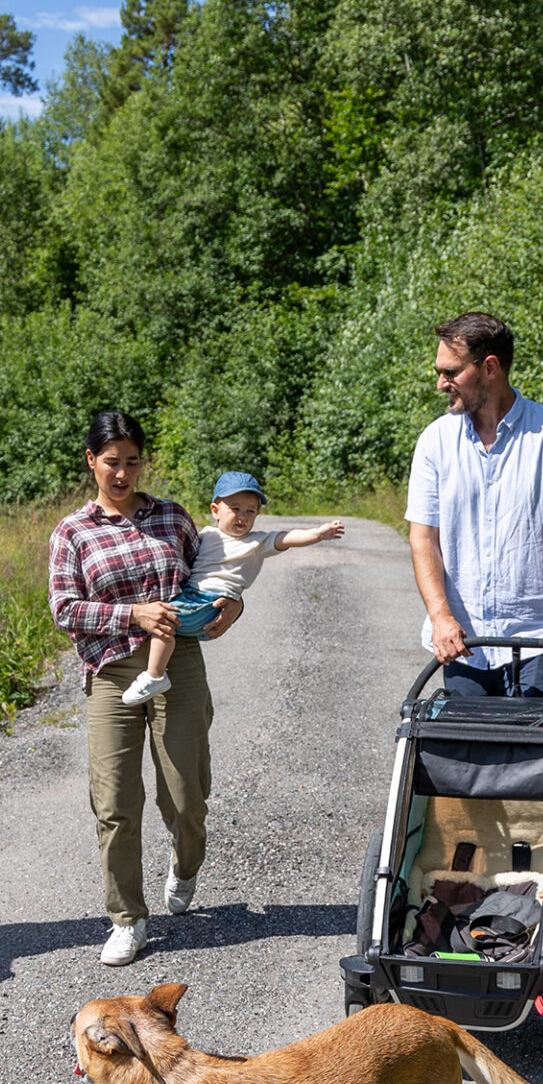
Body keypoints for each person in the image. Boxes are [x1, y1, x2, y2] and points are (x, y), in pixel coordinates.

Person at [49, 412, 238, 966]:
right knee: (114, 804)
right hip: (110, 674)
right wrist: (132, 614)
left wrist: (232, 604)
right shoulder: (73, 532)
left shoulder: (174, 519)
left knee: (186, 796)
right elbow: (64, 609)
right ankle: (127, 918)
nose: (124, 473)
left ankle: (185, 864)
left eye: (132, 461)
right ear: (91, 461)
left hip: (179, 667)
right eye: (112, 462)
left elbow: (215, 579)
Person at [406, 312, 543, 697]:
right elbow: (423, 538)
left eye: (450, 372)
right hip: (464, 641)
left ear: (490, 367)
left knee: (535, 753)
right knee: (468, 754)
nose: (440, 383)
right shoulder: (435, 442)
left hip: (538, 641)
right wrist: (441, 618)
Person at [118, 470, 343, 706]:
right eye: (235, 508)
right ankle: (147, 667)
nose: (242, 516)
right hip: (194, 598)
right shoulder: (206, 535)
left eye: (250, 511)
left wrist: (317, 534)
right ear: (215, 510)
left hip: (211, 603)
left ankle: (154, 676)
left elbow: (286, 538)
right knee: (161, 616)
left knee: (162, 620)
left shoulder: (257, 542)